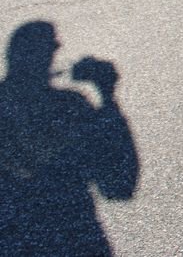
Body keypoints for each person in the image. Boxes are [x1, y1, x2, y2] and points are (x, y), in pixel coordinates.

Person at [0, 21, 138, 255]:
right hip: (75, 238)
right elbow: (118, 185)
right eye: (52, 45)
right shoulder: (69, 107)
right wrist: (107, 95)